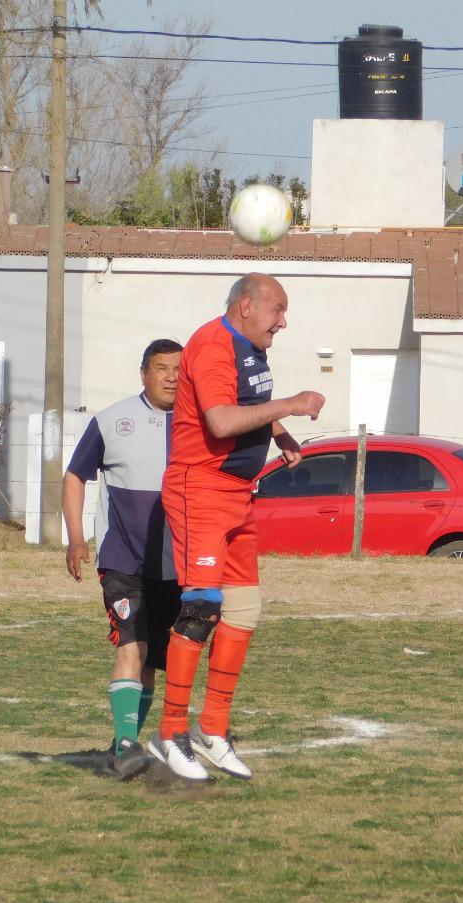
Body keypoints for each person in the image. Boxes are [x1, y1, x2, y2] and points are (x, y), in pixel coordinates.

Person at [149, 272, 325, 782]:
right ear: (246, 306)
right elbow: (222, 421)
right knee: (202, 606)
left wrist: (279, 432)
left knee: (244, 611)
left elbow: (247, 404)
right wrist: (292, 404)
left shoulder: (251, 348)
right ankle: (171, 732)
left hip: (237, 493)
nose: (283, 322)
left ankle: (213, 729)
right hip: (200, 487)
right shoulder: (211, 345)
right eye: (278, 310)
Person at [63, 339, 184, 780]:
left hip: (179, 565)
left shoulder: (198, 423)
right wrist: (76, 538)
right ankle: (127, 745)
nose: (172, 377)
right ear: (144, 373)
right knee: (132, 647)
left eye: (179, 369)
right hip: (122, 560)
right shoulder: (113, 420)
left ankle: (124, 741)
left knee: (151, 661)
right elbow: (75, 475)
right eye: (162, 368)